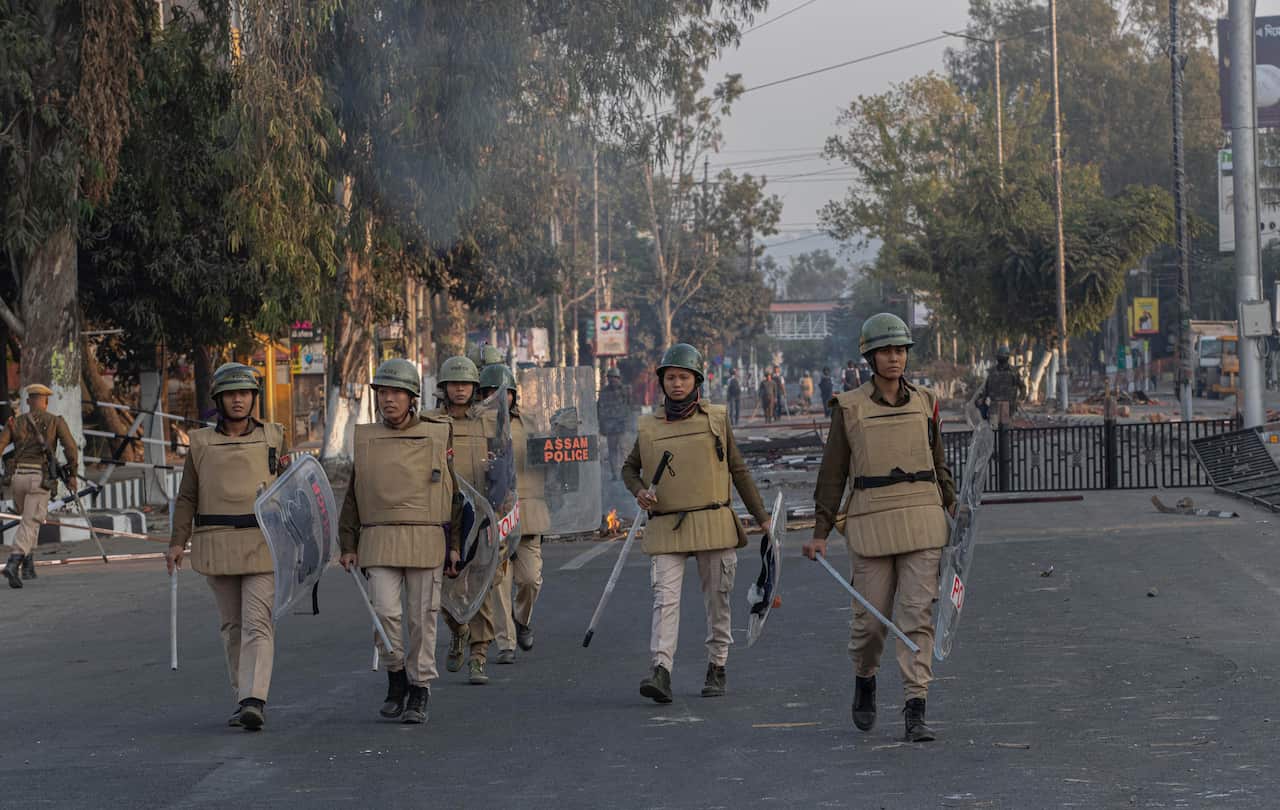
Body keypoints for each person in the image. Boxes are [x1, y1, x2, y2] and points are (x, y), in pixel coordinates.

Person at [803, 313, 956, 743]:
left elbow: (939, 463)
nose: (895, 358)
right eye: (886, 351)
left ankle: (915, 706)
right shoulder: (848, 407)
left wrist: (954, 507)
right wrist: (819, 531)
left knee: (916, 617)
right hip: (870, 521)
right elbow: (832, 475)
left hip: (923, 517)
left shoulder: (926, 401)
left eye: (901, 350)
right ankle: (865, 676)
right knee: (870, 625)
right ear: (870, 356)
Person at [623, 343, 772, 703]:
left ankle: (717, 665)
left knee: (718, 600)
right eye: (671, 377)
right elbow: (629, 469)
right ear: (662, 381)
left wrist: (763, 517)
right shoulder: (648, 426)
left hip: (714, 521)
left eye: (683, 377)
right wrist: (639, 490)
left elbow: (738, 469)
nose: (676, 384)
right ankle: (661, 671)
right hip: (665, 525)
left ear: (697, 380)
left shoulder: (717, 419)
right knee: (664, 600)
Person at [338, 359, 463, 724]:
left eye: (396, 392)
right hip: (378, 539)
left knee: (422, 621)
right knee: (385, 614)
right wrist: (347, 544)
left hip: (426, 538)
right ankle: (396, 677)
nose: (388, 399)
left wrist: (454, 544)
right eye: (383, 392)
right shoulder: (366, 439)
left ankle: (420, 688)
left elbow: (452, 493)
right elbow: (353, 494)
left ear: (412, 398)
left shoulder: (438, 434)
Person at [167, 363, 289, 731]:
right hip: (216, 542)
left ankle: (255, 698)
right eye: (231, 394)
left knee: (258, 623)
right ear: (219, 398)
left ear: (254, 397)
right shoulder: (201, 443)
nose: (238, 399)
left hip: (262, 543)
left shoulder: (275, 436)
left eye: (245, 393)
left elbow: (293, 489)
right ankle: (242, 695)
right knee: (232, 625)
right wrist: (177, 540)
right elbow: (188, 496)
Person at [429, 355, 500, 685]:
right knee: (443, 588)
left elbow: (504, 469)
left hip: (482, 519)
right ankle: (458, 629)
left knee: (481, 588)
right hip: (444, 519)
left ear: (475, 388)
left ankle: (479, 654)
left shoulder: (489, 423)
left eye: (466, 384)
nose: (460, 389)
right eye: (453, 383)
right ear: (443, 387)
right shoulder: (429, 424)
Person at [480, 364, 550, 663]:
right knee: (499, 583)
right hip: (494, 515)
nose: (498, 398)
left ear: (513, 394)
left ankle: (521, 620)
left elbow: (551, 461)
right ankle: (505, 643)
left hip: (529, 511)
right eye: (491, 392)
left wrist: (565, 439)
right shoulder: (476, 426)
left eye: (504, 392)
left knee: (530, 580)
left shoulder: (532, 424)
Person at [1, 384, 78, 588]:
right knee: (30, 522)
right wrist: (72, 474)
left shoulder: (14, 422)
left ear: (28, 401)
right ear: (45, 401)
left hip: (17, 478)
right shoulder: (55, 421)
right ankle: (13, 561)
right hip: (39, 478)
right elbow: (71, 449)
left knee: (27, 520)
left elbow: (0, 446)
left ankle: (28, 566)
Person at [973, 345, 1027, 425]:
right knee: (995, 432)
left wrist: (1019, 400)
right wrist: (981, 400)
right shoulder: (991, 372)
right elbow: (986, 390)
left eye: (1002, 357)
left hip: (1009, 408)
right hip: (994, 407)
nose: (1001, 359)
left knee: (1006, 431)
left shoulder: (1014, 372)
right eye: (1000, 357)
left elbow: (1023, 388)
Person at [596, 367, 630, 481]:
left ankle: (625, 473)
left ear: (618, 378)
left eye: (614, 378)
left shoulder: (625, 390)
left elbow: (630, 406)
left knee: (623, 450)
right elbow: (599, 408)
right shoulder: (604, 392)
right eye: (610, 378)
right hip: (610, 426)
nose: (612, 380)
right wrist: (602, 425)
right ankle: (615, 473)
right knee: (612, 451)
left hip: (621, 425)